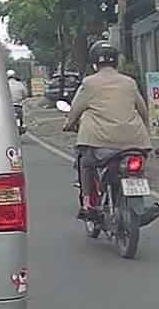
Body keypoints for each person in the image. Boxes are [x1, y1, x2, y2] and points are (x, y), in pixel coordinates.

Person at [63, 40, 152, 219]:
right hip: (135, 143)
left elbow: (75, 111)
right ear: (117, 61)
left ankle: (87, 204)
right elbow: (143, 111)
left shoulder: (89, 83)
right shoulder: (129, 83)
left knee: (85, 163)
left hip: (101, 144)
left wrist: (68, 125)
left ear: (94, 63)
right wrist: (146, 129)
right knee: (137, 171)